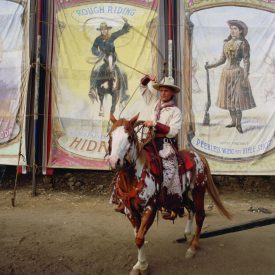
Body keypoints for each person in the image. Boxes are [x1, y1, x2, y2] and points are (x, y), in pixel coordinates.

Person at [140, 75, 183, 220]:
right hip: (150, 141)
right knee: (134, 158)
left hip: (166, 144)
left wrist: (155, 124)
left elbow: (173, 131)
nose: (163, 93)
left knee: (170, 170)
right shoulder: (155, 103)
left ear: (172, 93)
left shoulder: (175, 111)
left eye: (166, 91)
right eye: (162, 90)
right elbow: (143, 88)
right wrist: (147, 78)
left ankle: (171, 203)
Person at [205, 20, 256, 133]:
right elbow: (222, 60)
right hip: (226, 74)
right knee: (228, 100)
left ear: (240, 31)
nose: (232, 31)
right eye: (231, 29)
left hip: (238, 74)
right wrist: (210, 66)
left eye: (235, 29)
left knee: (237, 101)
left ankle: (238, 124)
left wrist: (245, 76)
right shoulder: (226, 43)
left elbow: (247, 61)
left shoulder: (243, 44)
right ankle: (233, 122)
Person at [89, 18, 131, 104]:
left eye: (105, 29)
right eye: (102, 29)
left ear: (107, 29)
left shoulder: (112, 36)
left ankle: (125, 93)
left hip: (112, 57)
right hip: (102, 58)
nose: (104, 31)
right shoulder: (98, 39)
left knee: (122, 70)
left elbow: (121, 32)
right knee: (95, 69)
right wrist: (98, 53)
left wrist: (126, 23)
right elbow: (93, 48)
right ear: (100, 30)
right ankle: (92, 88)